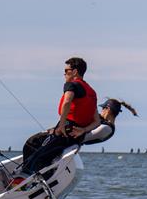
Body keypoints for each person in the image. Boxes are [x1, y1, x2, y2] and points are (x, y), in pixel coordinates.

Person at [11, 97, 138, 187]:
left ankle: (27, 178)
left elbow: (85, 136)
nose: (101, 111)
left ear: (108, 110)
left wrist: (62, 132)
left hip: (69, 142)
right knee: (33, 143)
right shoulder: (101, 122)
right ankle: (25, 172)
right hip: (66, 138)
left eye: (103, 108)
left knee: (34, 145)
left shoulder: (106, 128)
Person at [10, 57, 97, 186]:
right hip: (77, 136)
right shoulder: (91, 92)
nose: (64, 74)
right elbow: (97, 121)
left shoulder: (72, 84)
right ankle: (36, 177)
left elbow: (67, 102)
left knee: (39, 153)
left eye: (66, 71)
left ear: (75, 72)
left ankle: (22, 181)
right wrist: (83, 130)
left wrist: (61, 126)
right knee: (33, 142)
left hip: (66, 131)